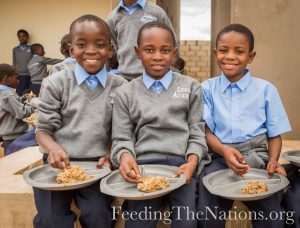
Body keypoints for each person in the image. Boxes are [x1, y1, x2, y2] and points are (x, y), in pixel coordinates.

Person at [32, 14, 127, 228]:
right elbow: (42, 130)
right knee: (51, 219)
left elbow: (123, 131)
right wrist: (54, 149)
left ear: (110, 49)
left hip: (97, 166)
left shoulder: (120, 86)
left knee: (99, 215)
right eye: (82, 44)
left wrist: (112, 153)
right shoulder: (55, 83)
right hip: (57, 165)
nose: (91, 51)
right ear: (70, 49)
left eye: (100, 45)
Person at [111, 21, 208, 228]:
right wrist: (125, 157)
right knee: (137, 224)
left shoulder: (191, 88)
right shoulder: (125, 93)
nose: (157, 56)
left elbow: (197, 133)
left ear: (174, 53)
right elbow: (121, 137)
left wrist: (191, 163)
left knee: (187, 222)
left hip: (181, 168)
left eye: (165, 50)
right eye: (149, 50)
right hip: (143, 168)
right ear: (138, 52)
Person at [197, 23, 291, 228]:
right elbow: (207, 131)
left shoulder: (266, 90)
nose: (230, 56)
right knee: (208, 210)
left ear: (251, 56)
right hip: (219, 156)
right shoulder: (207, 89)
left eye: (239, 51)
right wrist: (224, 150)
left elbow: (274, 134)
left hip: (257, 157)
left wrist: (274, 160)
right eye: (223, 50)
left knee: (272, 215)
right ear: (215, 53)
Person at [106, 0, 178, 81]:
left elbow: (172, 42)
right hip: (125, 78)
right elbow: (116, 45)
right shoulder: (112, 17)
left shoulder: (157, 12)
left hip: (155, 77)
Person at [0, 63, 33, 155]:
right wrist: (32, 104)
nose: (18, 81)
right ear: (7, 78)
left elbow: (9, 106)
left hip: (7, 133)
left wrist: (23, 99)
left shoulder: (3, 92)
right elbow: (21, 112)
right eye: (16, 78)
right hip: (14, 135)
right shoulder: (8, 94)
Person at [13, 29, 32, 96]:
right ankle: (19, 106)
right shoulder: (15, 49)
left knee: (29, 93)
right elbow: (14, 62)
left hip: (30, 74)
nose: (21, 38)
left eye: (23, 36)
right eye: (19, 36)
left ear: (27, 37)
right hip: (20, 74)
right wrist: (14, 74)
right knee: (20, 93)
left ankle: (28, 106)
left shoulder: (31, 48)